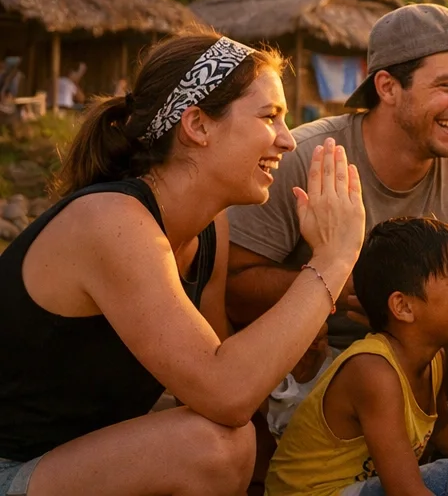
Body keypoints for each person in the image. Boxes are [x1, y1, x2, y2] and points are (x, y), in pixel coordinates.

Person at [0, 32, 366, 496]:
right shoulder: (111, 222)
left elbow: (218, 382)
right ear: (197, 125)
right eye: (269, 116)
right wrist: (334, 260)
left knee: (232, 440)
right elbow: (226, 394)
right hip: (12, 467)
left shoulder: (210, 230)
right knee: (216, 447)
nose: (287, 140)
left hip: (69, 460)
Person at [224, 5, 448, 458]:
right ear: (387, 87)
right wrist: (336, 285)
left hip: (421, 359)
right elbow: (230, 286)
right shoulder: (304, 156)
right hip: (314, 364)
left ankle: (428, 457)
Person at [266, 218, 448, 496]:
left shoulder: (433, 358)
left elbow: (442, 426)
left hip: (355, 489)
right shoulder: (374, 372)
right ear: (403, 306)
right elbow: (406, 492)